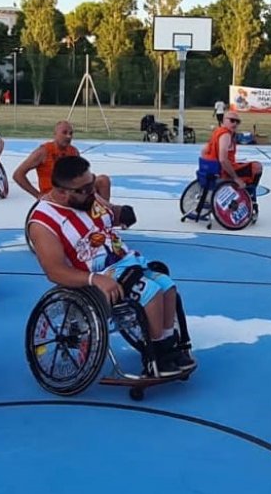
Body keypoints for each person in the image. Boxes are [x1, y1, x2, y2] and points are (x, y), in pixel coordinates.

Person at [27, 155, 194, 377]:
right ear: (62, 192)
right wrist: (94, 279)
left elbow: (110, 213)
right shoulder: (43, 222)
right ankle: (156, 354)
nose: (91, 190)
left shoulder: (87, 197)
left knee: (168, 286)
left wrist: (122, 211)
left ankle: (166, 344)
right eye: (85, 188)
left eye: (92, 182)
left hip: (126, 261)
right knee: (151, 293)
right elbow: (54, 271)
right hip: (97, 275)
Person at [14, 120, 111, 201]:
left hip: (73, 190)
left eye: (71, 133)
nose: (68, 136)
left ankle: (104, 216)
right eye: (64, 133)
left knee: (103, 180)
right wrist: (38, 195)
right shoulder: (43, 151)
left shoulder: (74, 151)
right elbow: (18, 175)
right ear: (55, 134)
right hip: (54, 194)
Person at [200, 112, 263, 214]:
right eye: (232, 120)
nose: (235, 124)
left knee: (245, 165)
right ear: (223, 121)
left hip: (214, 169)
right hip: (224, 171)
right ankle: (250, 198)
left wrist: (209, 165)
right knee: (257, 167)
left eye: (238, 122)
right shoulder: (226, 135)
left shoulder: (217, 132)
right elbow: (223, 159)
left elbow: (204, 151)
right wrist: (235, 178)